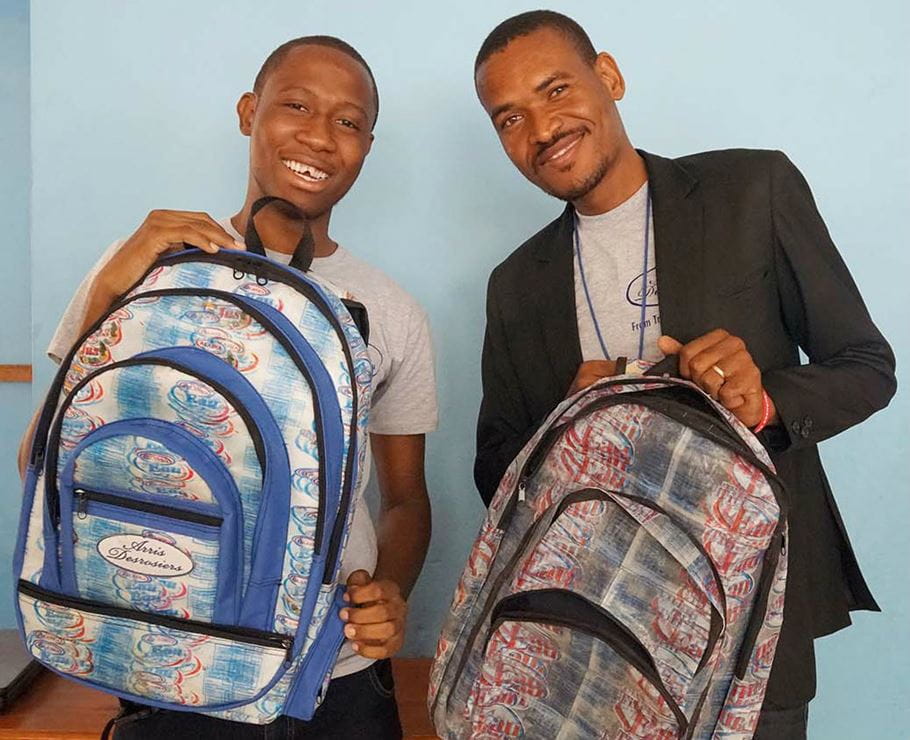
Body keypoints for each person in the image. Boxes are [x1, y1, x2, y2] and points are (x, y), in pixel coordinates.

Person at [471, 10, 896, 738]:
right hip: (605, 637)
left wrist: (762, 397)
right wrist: (568, 425)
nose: (540, 129)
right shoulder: (515, 284)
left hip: (757, 624)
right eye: (509, 118)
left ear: (609, 76)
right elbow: (494, 472)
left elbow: (867, 367)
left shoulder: (752, 190)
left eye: (555, 90)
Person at [22, 35, 436, 740]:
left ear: (368, 144)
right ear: (249, 112)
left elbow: (402, 499)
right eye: (296, 105)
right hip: (171, 666)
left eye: (348, 121)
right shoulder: (145, 264)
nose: (319, 136)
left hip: (334, 677)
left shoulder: (389, 308)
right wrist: (115, 287)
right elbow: (42, 457)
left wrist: (389, 589)